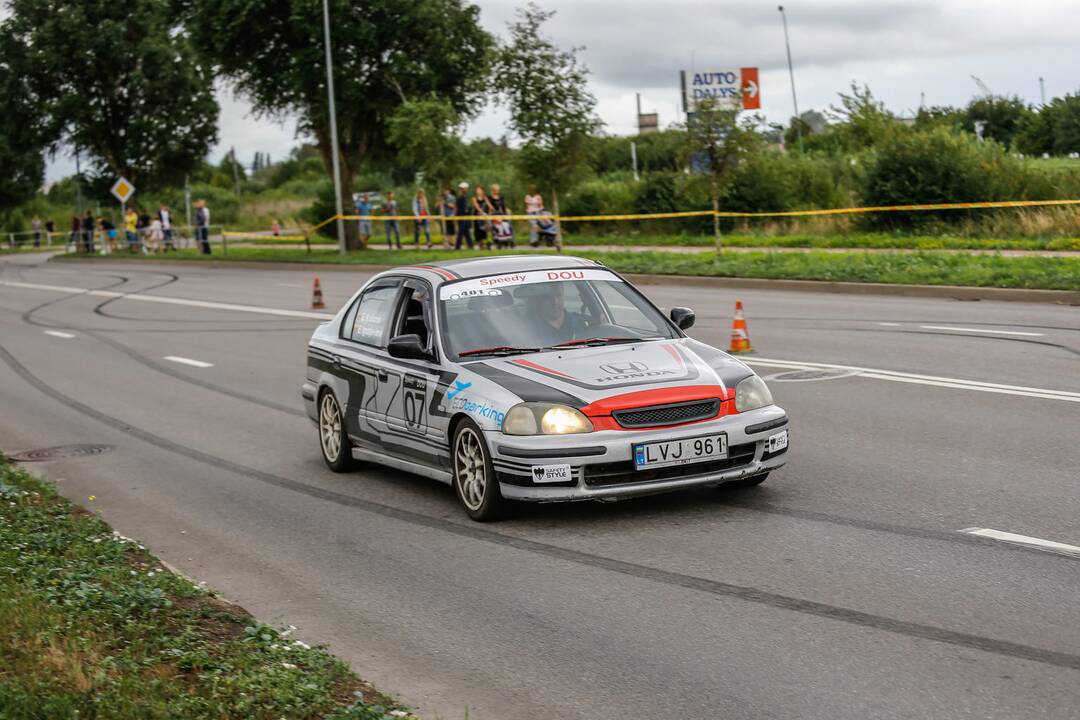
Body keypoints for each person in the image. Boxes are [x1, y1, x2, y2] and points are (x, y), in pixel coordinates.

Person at [488, 183, 514, 249]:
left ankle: (509, 240)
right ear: (493, 190)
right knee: (500, 226)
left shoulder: (501, 197)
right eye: (496, 190)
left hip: (501, 215)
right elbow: (490, 208)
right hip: (494, 215)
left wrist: (507, 212)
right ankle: (500, 242)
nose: (497, 191)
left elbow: (504, 207)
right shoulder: (489, 198)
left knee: (507, 225)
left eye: (498, 190)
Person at [472, 185, 493, 250]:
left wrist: (489, 213)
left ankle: (487, 244)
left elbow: (490, 206)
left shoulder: (485, 198)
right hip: (477, 217)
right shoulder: (474, 198)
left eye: (479, 190)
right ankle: (481, 246)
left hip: (484, 218)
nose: (478, 191)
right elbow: (476, 206)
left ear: (482, 191)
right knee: (478, 232)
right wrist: (482, 212)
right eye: (477, 190)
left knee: (485, 232)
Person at [454, 182, 472, 250]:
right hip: (461, 216)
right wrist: (455, 216)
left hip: (466, 216)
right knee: (461, 231)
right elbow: (456, 207)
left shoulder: (467, 197)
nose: (466, 189)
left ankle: (470, 246)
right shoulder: (459, 197)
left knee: (466, 231)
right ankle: (457, 247)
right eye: (464, 188)